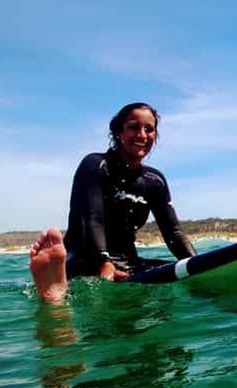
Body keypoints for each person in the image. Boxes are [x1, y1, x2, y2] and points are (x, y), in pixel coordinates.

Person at [30, 102, 197, 303]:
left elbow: (173, 233)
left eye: (149, 129)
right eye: (134, 127)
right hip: (87, 260)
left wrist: (195, 264)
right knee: (99, 293)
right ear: (118, 131)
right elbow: (94, 218)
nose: (142, 135)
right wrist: (104, 263)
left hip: (128, 264)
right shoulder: (96, 166)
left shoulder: (154, 181)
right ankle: (57, 284)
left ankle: (58, 290)